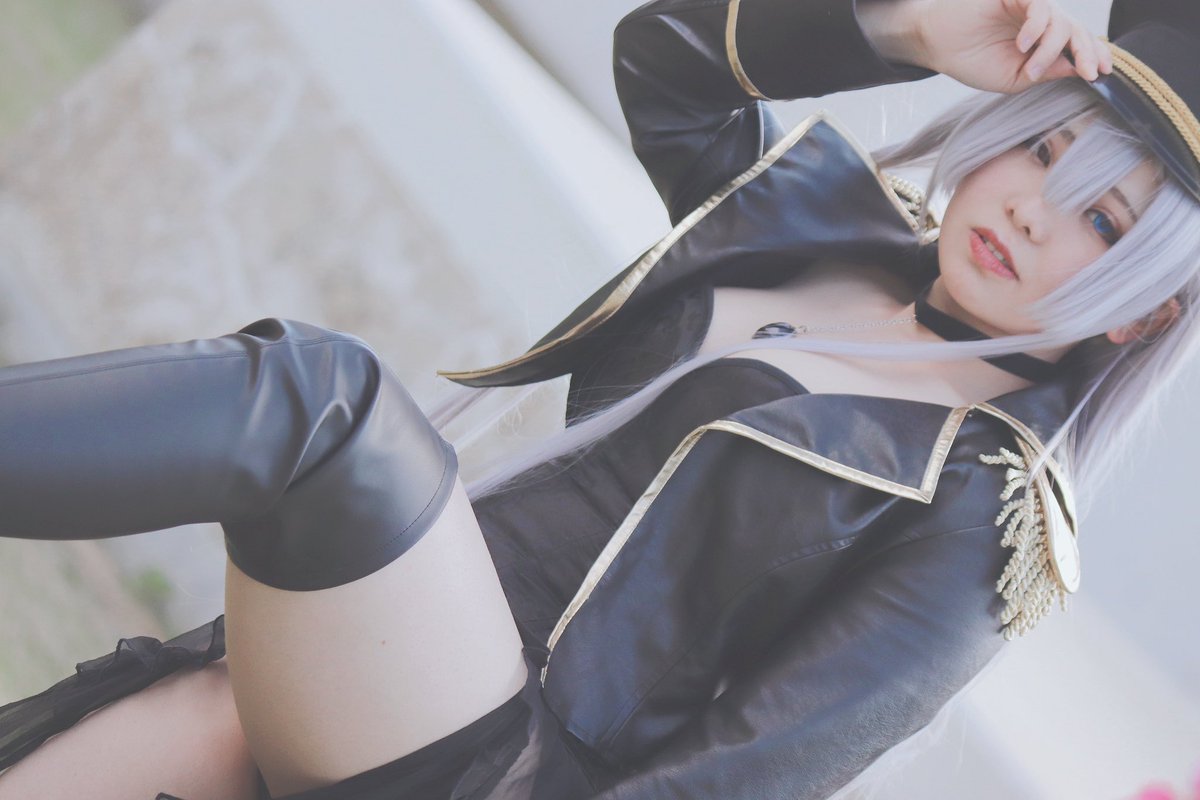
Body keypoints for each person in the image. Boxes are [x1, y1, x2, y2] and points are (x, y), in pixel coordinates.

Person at [1, 0, 1198, 798]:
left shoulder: (985, 510)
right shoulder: (818, 227)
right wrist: (900, 26)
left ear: (1144, 313)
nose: (1034, 209)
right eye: (1045, 148)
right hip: (378, 649)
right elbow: (668, 65)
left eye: (1102, 222)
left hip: (503, 765)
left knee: (326, 404)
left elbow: (755, 767)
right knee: (184, 725)